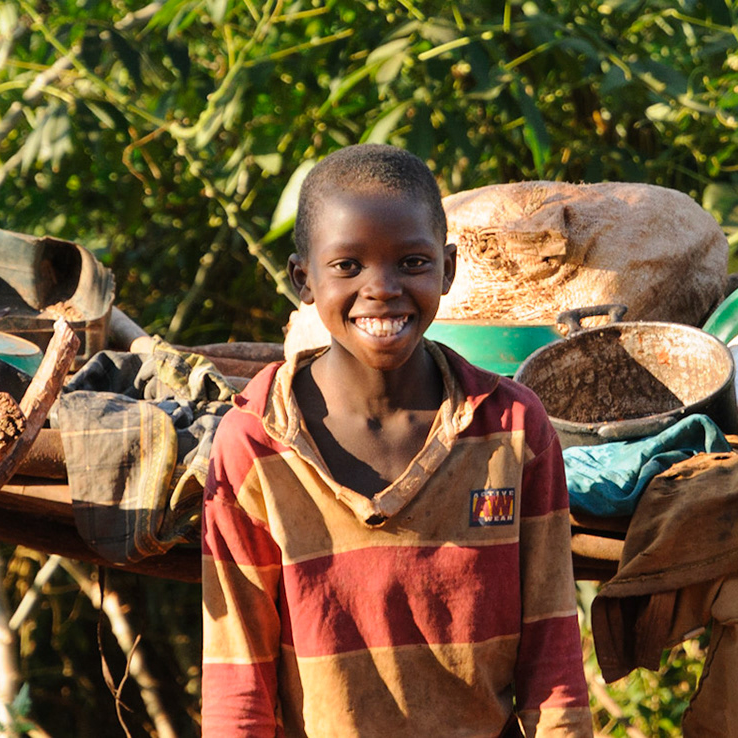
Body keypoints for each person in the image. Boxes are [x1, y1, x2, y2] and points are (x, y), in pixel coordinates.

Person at [200, 144, 592, 737]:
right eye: (348, 266)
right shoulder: (254, 444)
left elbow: (553, 659)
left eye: (411, 262)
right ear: (302, 278)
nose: (381, 288)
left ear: (449, 269)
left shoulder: (510, 429)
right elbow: (238, 690)